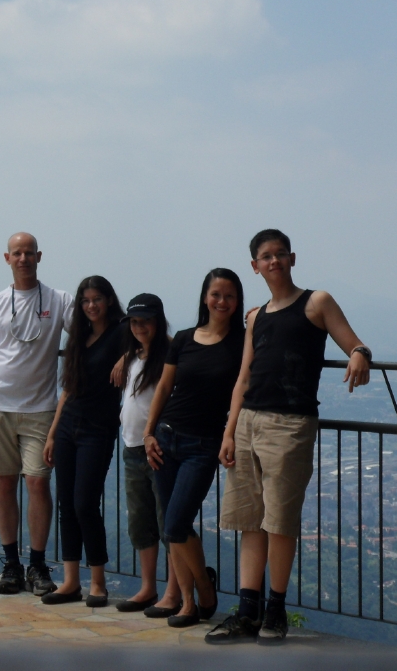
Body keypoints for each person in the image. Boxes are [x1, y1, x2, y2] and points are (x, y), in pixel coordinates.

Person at [205, 229, 372, 645]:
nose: (274, 261)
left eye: (280, 254)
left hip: (290, 423)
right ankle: (247, 612)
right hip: (248, 422)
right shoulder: (256, 317)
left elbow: (354, 343)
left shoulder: (316, 302)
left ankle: (274, 612)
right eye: (266, 256)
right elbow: (244, 377)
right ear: (255, 266)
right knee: (250, 521)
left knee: (279, 521)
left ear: (292, 259)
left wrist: (359, 354)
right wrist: (229, 431)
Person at [0, 232, 73, 596]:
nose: (23, 258)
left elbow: (92, 328)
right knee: (4, 483)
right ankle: (11, 564)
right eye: (17, 253)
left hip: (40, 409)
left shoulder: (59, 300)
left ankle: (38, 564)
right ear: (7, 258)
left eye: (29, 252)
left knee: (38, 482)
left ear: (39, 257)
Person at [144, 269, 245, 628]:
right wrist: (148, 433)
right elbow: (163, 387)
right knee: (173, 526)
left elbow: (242, 389)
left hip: (204, 445)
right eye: (216, 294)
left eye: (229, 295)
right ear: (205, 297)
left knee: (175, 524)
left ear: (237, 301)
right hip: (166, 438)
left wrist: (230, 433)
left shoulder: (242, 342)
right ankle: (188, 601)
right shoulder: (185, 339)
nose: (221, 301)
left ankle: (204, 585)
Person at [41, 276, 125, 607]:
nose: (91, 306)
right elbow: (68, 388)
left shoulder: (122, 331)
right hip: (68, 426)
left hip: (98, 429)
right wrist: (52, 433)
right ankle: (71, 581)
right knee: (66, 504)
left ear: (109, 300)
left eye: (97, 299)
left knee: (85, 504)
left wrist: (127, 357)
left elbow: (160, 339)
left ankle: (98, 583)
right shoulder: (79, 336)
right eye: (86, 300)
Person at [115, 294, 181, 614]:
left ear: (158, 321)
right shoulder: (133, 356)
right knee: (140, 522)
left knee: (167, 520)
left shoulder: (170, 356)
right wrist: (126, 355)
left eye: (146, 321)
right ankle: (148, 587)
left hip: (159, 448)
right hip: (131, 448)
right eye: (134, 322)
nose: (139, 327)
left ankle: (174, 591)